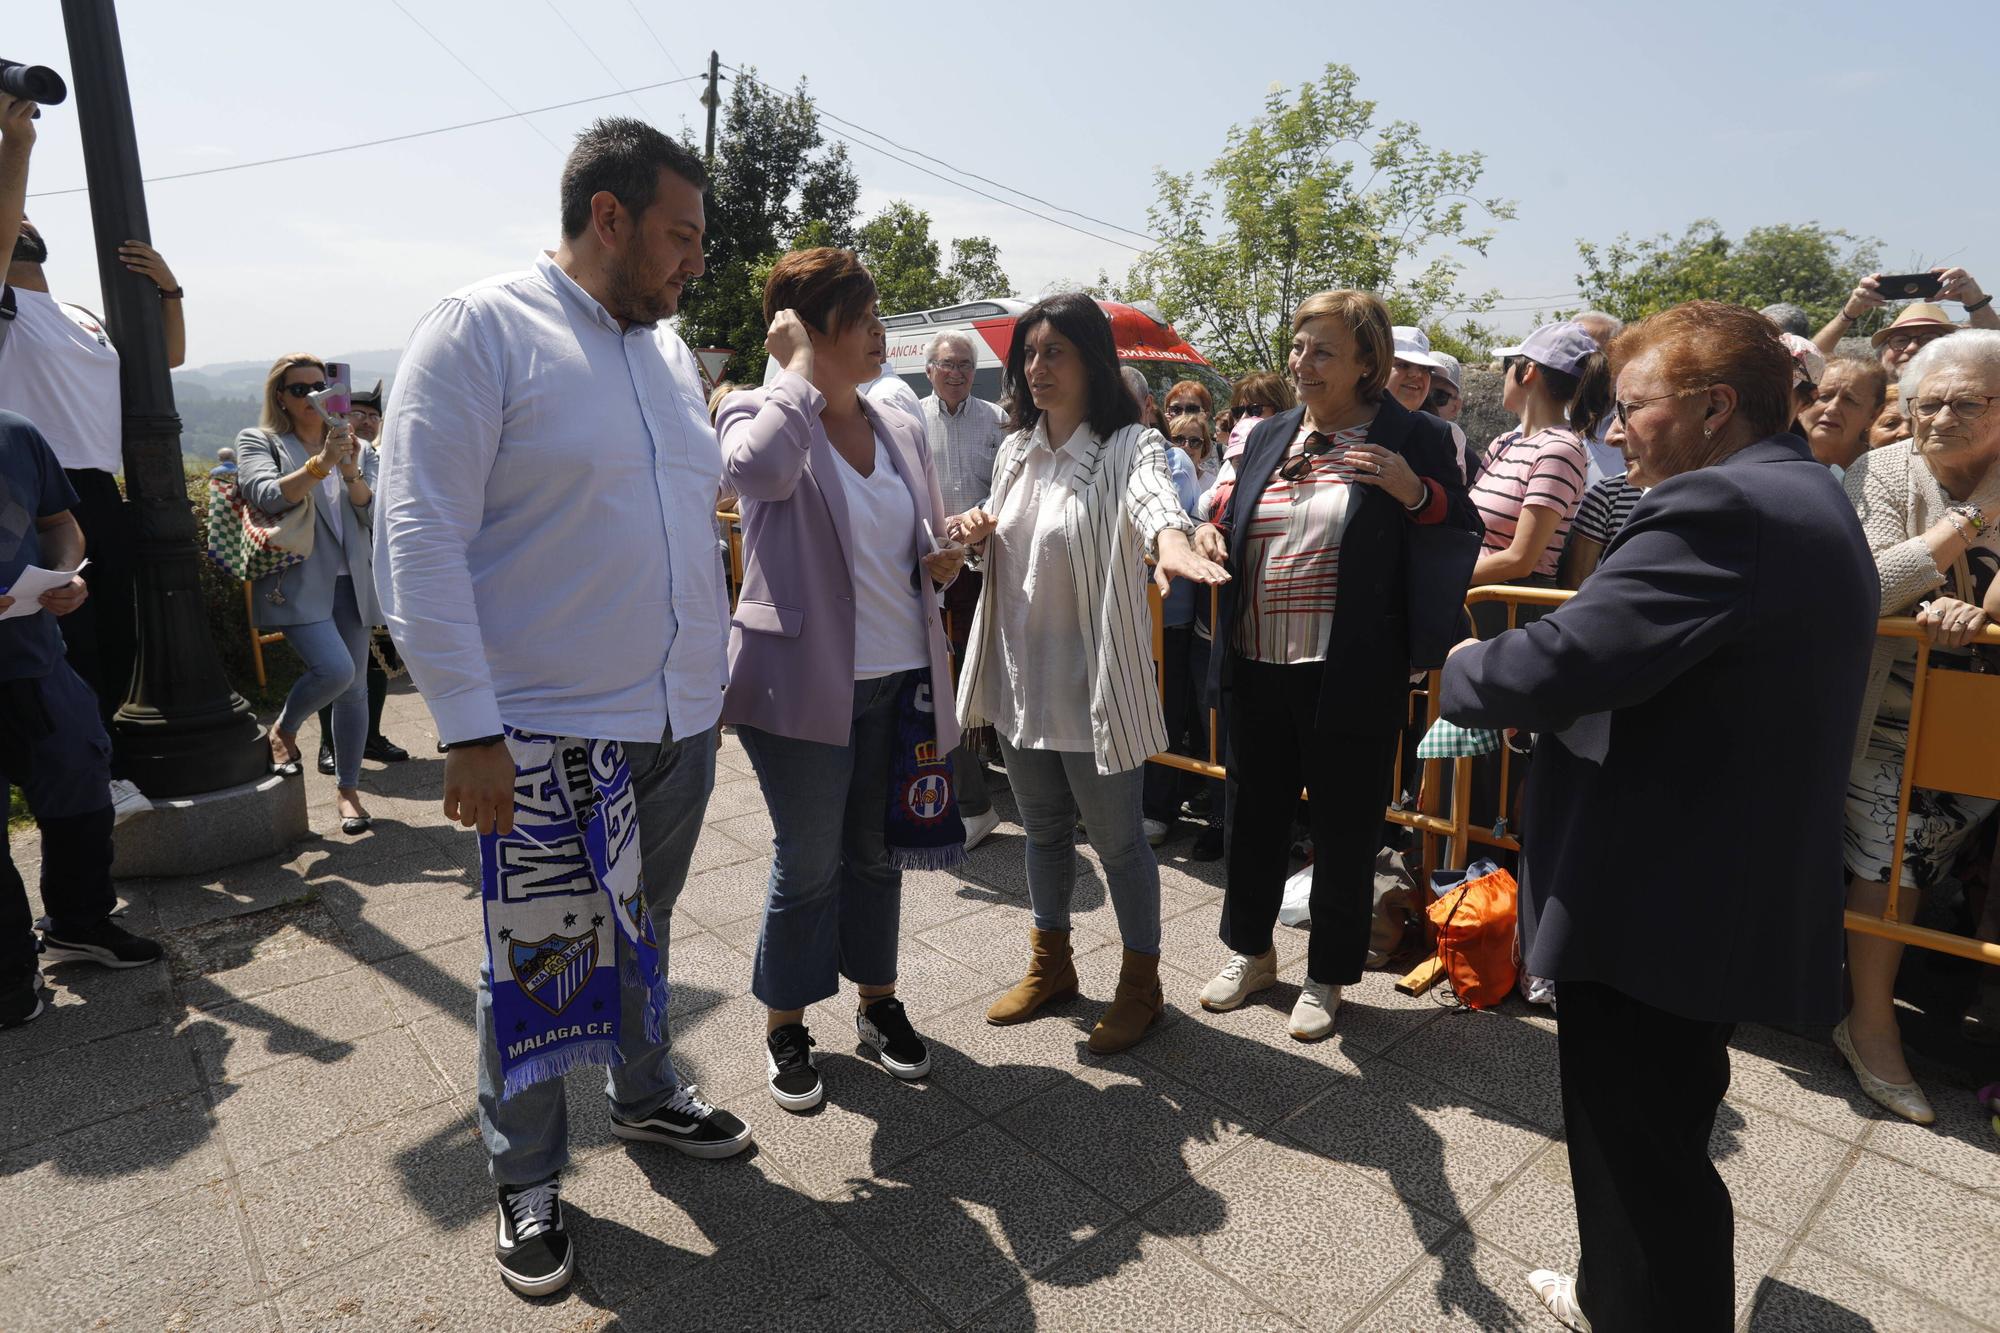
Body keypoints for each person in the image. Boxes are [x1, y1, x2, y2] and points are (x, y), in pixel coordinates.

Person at [1441, 301, 1877, 1333]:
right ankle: (1616, 1296)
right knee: (1648, 1146)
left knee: (1640, 1159)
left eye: (1629, 408)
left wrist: (1466, 668)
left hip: (1657, 895)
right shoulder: (1791, 490)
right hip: (1695, 875)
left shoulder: (1721, 506)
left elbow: (1573, 654)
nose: (1611, 431)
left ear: (1713, 408)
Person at [374, 117, 751, 1300]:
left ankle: (642, 1095)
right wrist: (468, 726)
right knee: (537, 962)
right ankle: (526, 1176)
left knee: (644, 935)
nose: (696, 260)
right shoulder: (482, 330)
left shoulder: (666, 354)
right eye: (680, 236)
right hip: (538, 730)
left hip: (678, 719)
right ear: (608, 218)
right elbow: (419, 535)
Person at [715, 249, 966, 1114]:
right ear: (806, 331)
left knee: (877, 854)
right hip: (798, 686)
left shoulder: (899, 425)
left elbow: (918, 545)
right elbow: (758, 475)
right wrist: (789, 373)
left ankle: (876, 1001)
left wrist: (941, 560)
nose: (878, 333)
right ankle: (787, 1023)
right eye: (858, 319)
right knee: (809, 860)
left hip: (899, 675)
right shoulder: (760, 410)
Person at [1194, 290, 1480, 1040]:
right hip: (1258, 655)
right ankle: (1251, 952)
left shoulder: (1412, 434)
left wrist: (1412, 490)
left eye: (1323, 350)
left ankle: (1328, 973)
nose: (1302, 362)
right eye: (1297, 346)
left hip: (1350, 664)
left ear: (1366, 363)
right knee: (1252, 817)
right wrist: (1209, 537)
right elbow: (1228, 516)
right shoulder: (1268, 433)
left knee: (1347, 826)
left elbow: (1461, 525)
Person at [948, 292, 1227, 1054]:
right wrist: (976, 533)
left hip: (1092, 688)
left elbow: (1151, 500)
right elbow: (1005, 546)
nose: (1037, 367)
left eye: (1055, 352)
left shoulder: (1125, 447)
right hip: (1023, 682)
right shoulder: (1013, 452)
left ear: (1093, 363)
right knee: (1041, 834)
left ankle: (1142, 985)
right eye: (1029, 354)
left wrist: (1168, 539)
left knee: (1119, 843)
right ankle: (1053, 965)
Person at [1834, 329, 2000, 1127]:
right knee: (1889, 863)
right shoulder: (1886, 471)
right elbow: (1863, 589)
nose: (1939, 418)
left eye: (1965, 402)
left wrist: (1982, 610)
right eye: (1924, 403)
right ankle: (1871, 1025)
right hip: (1893, 719)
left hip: (1987, 725)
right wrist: (1973, 518)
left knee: (1942, 865)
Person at [0, 93, 187, 722]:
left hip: (98, 491)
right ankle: (88, 774)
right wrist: (17, 144)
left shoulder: (79, 315)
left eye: (28, 217)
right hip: (36, 495)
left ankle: (107, 761)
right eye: (10, 217)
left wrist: (168, 288)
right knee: (67, 642)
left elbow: (165, 361)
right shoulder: (5, 312)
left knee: (115, 637)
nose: (22, 220)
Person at [0, 409, 163, 1028]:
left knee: (81, 785)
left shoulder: (15, 434)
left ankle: (79, 922)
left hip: (36, 658)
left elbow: (59, 523)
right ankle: (9, 970)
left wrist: (65, 572)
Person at [235, 356, 379, 836]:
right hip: (294, 581)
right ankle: (284, 727)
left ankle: (348, 792)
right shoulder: (262, 442)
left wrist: (353, 469)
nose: (313, 397)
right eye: (300, 390)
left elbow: (370, 514)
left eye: (320, 387)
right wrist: (322, 465)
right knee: (335, 672)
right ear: (280, 397)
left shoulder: (350, 443)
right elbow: (266, 495)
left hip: (351, 580)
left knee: (355, 689)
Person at [919, 329, 1007, 851]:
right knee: (941, 672)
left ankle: (978, 776)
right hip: (930, 566)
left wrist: (977, 520)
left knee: (979, 669)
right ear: (929, 369)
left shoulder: (995, 420)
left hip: (981, 565)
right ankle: (961, 781)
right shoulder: (909, 420)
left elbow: (1006, 484)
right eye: (948, 364)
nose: (957, 373)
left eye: (966, 365)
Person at [1467, 322, 1607, 633]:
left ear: (1528, 371)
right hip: (1475, 599)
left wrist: (1441, 575)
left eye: (1509, 365)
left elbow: (1521, 559)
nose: (1504, 374)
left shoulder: (1560, 450)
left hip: (1507, 610)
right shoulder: (1504, 442)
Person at [315, 380, 408, 774]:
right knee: (331, 664)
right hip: (329, 573)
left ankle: (370, 736)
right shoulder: (319, 453)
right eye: (359, 414)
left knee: (378, 661)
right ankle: (328, 745)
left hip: (376, 569)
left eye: (374, 416)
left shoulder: (380, 455)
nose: (368, 422)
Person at [1142, 383, 1213, 846]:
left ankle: (1157, 808)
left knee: (1163, 712)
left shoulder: (1173, 461)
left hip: (1169, 613)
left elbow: (1184, 523)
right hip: (1118, 611)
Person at [1812, 267, 1998, 360]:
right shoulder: (1864, 396)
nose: (1912, 348)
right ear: (1882, 354)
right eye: (1900, 341)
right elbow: (1803, 367)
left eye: (1929, 339)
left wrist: (1977, 303)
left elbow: (1995, 358)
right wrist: (1848, 314)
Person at [1557, 411, 1647, 590]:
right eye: (1618, 414)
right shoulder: (1607, 495)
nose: (1610, 438)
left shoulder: (1714, 498)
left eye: (1632, 410)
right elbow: (1575, 585)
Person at [1802, 356, 1889, 476]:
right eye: (1824, 396)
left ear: (1873, 415)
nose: (1832, 409)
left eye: (1850, 400)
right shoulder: (1774, 463)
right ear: (1801, 403)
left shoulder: (1886, 476)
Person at [1571, 311, 1627, 484]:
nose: (1579, 363)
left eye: (1592, 355)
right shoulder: (1527, 432)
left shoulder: (1632, 430)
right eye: (1572, 351)